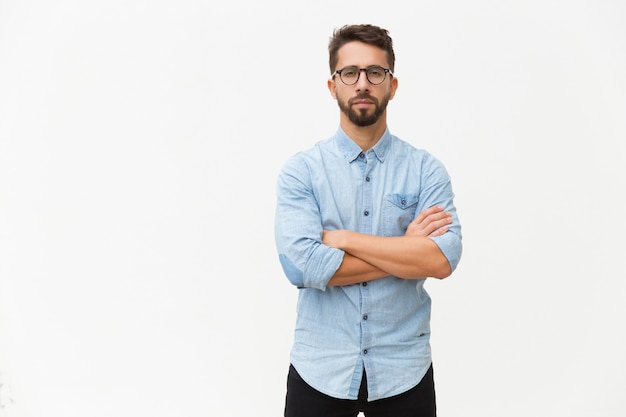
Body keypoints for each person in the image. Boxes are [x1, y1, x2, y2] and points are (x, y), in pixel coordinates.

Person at [274, 23, 462, 417]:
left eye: (375, 72)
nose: (363, 83)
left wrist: (343, 238)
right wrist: (406, 248)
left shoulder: (426, 171)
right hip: (320, 368)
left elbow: (442, 260)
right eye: (350, 73)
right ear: (333, 86)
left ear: (392, 85)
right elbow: (300, 266)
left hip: (403, 369)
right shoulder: (302, 171)